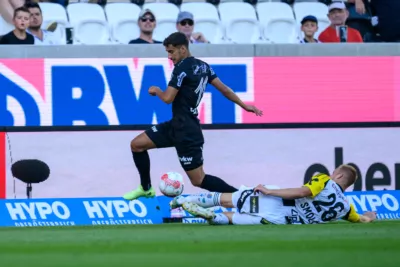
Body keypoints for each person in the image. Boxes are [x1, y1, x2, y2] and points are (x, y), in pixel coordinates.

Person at [123, 32, 263, 201]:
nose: (169, 56)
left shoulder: (181, 68)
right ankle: (145, 188)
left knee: (198, 180)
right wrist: (244, 105)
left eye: (171, 52)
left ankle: (242, 197)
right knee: (137, 145)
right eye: (167, 52)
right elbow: (224, 89)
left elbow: (168, 98)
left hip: (187, 131)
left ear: (182, 49)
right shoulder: (204, 66)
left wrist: (157, 91)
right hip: (176, 124)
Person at [170, 164, 377, 225]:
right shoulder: (345, 208)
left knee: (232, 198)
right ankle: (213, 216)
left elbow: (303, 192)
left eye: (335, 172)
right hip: (283, 221)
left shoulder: (325, 181)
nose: (332, 174)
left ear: (339, 175)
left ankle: (182, 200)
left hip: (277, 204)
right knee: (232, 219)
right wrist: (370, 215)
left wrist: (270, 191)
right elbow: (362, 219)